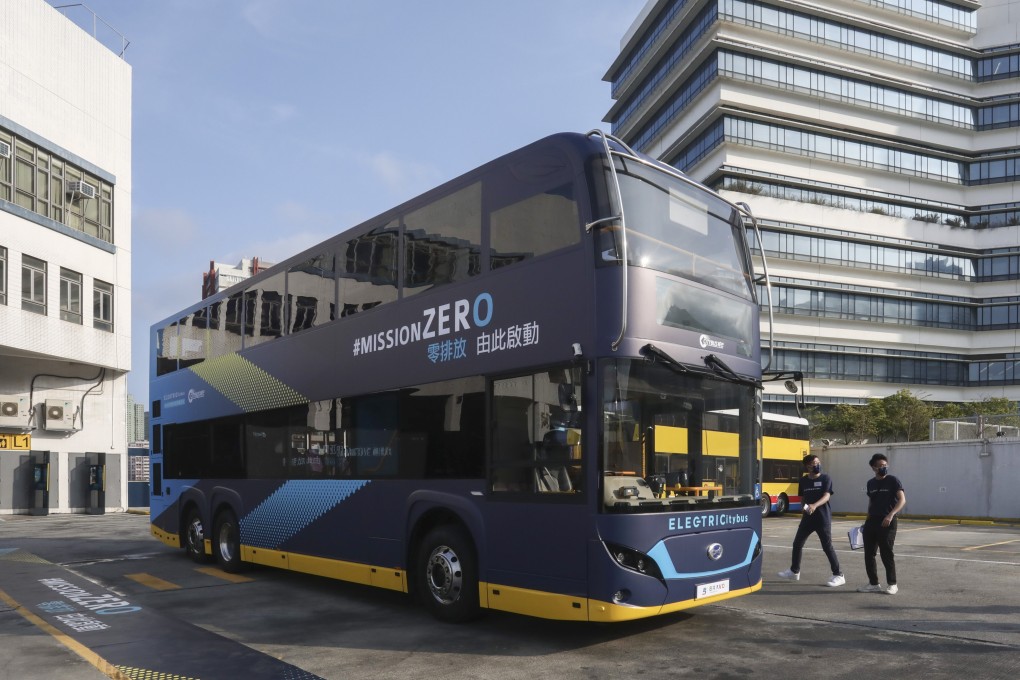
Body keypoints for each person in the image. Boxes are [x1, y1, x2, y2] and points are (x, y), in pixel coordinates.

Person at [777, 454, 845, 587]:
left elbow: (827, 496)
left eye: (818, 462)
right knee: (797, 543)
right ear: (808, 466)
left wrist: (814, 505)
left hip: (822, 518)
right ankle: (794, 571)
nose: (817, 465)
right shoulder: (803, 481)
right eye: (814, 463)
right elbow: (803, 498)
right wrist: (804, 507)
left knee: (827, 546)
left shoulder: (826, 478)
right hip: (808, 518)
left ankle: (838, 575)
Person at [857, 453, 906, 594]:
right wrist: (867, 520)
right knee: (869, 554)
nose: (884, 468)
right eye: (880, 466)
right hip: (872, 521)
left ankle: (892, 583)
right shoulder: (870, 483)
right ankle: (873, 583)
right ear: (874, 468)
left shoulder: (893, 481)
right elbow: (871, 501)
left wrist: (890, 515)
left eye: (885, 465)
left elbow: (902, 500)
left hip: (887, 521)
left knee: (886, 553)